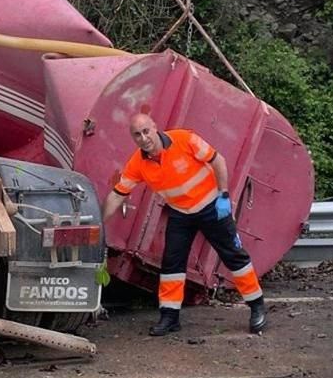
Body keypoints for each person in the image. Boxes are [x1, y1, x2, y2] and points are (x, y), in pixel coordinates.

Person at [102, 113, 267, 336]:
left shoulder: (184, 139)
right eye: (137, 135)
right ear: (133, 138)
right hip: (181, 213)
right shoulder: (138, 163)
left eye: (146, 131)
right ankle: (169, 317)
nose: (143, 138)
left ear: (155, 127)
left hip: (211, 206)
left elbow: (217, 160)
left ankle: (257, 306)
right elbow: (117, 194)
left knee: (233, 256)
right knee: (172, 264)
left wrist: (224, 194)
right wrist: (99, 223)